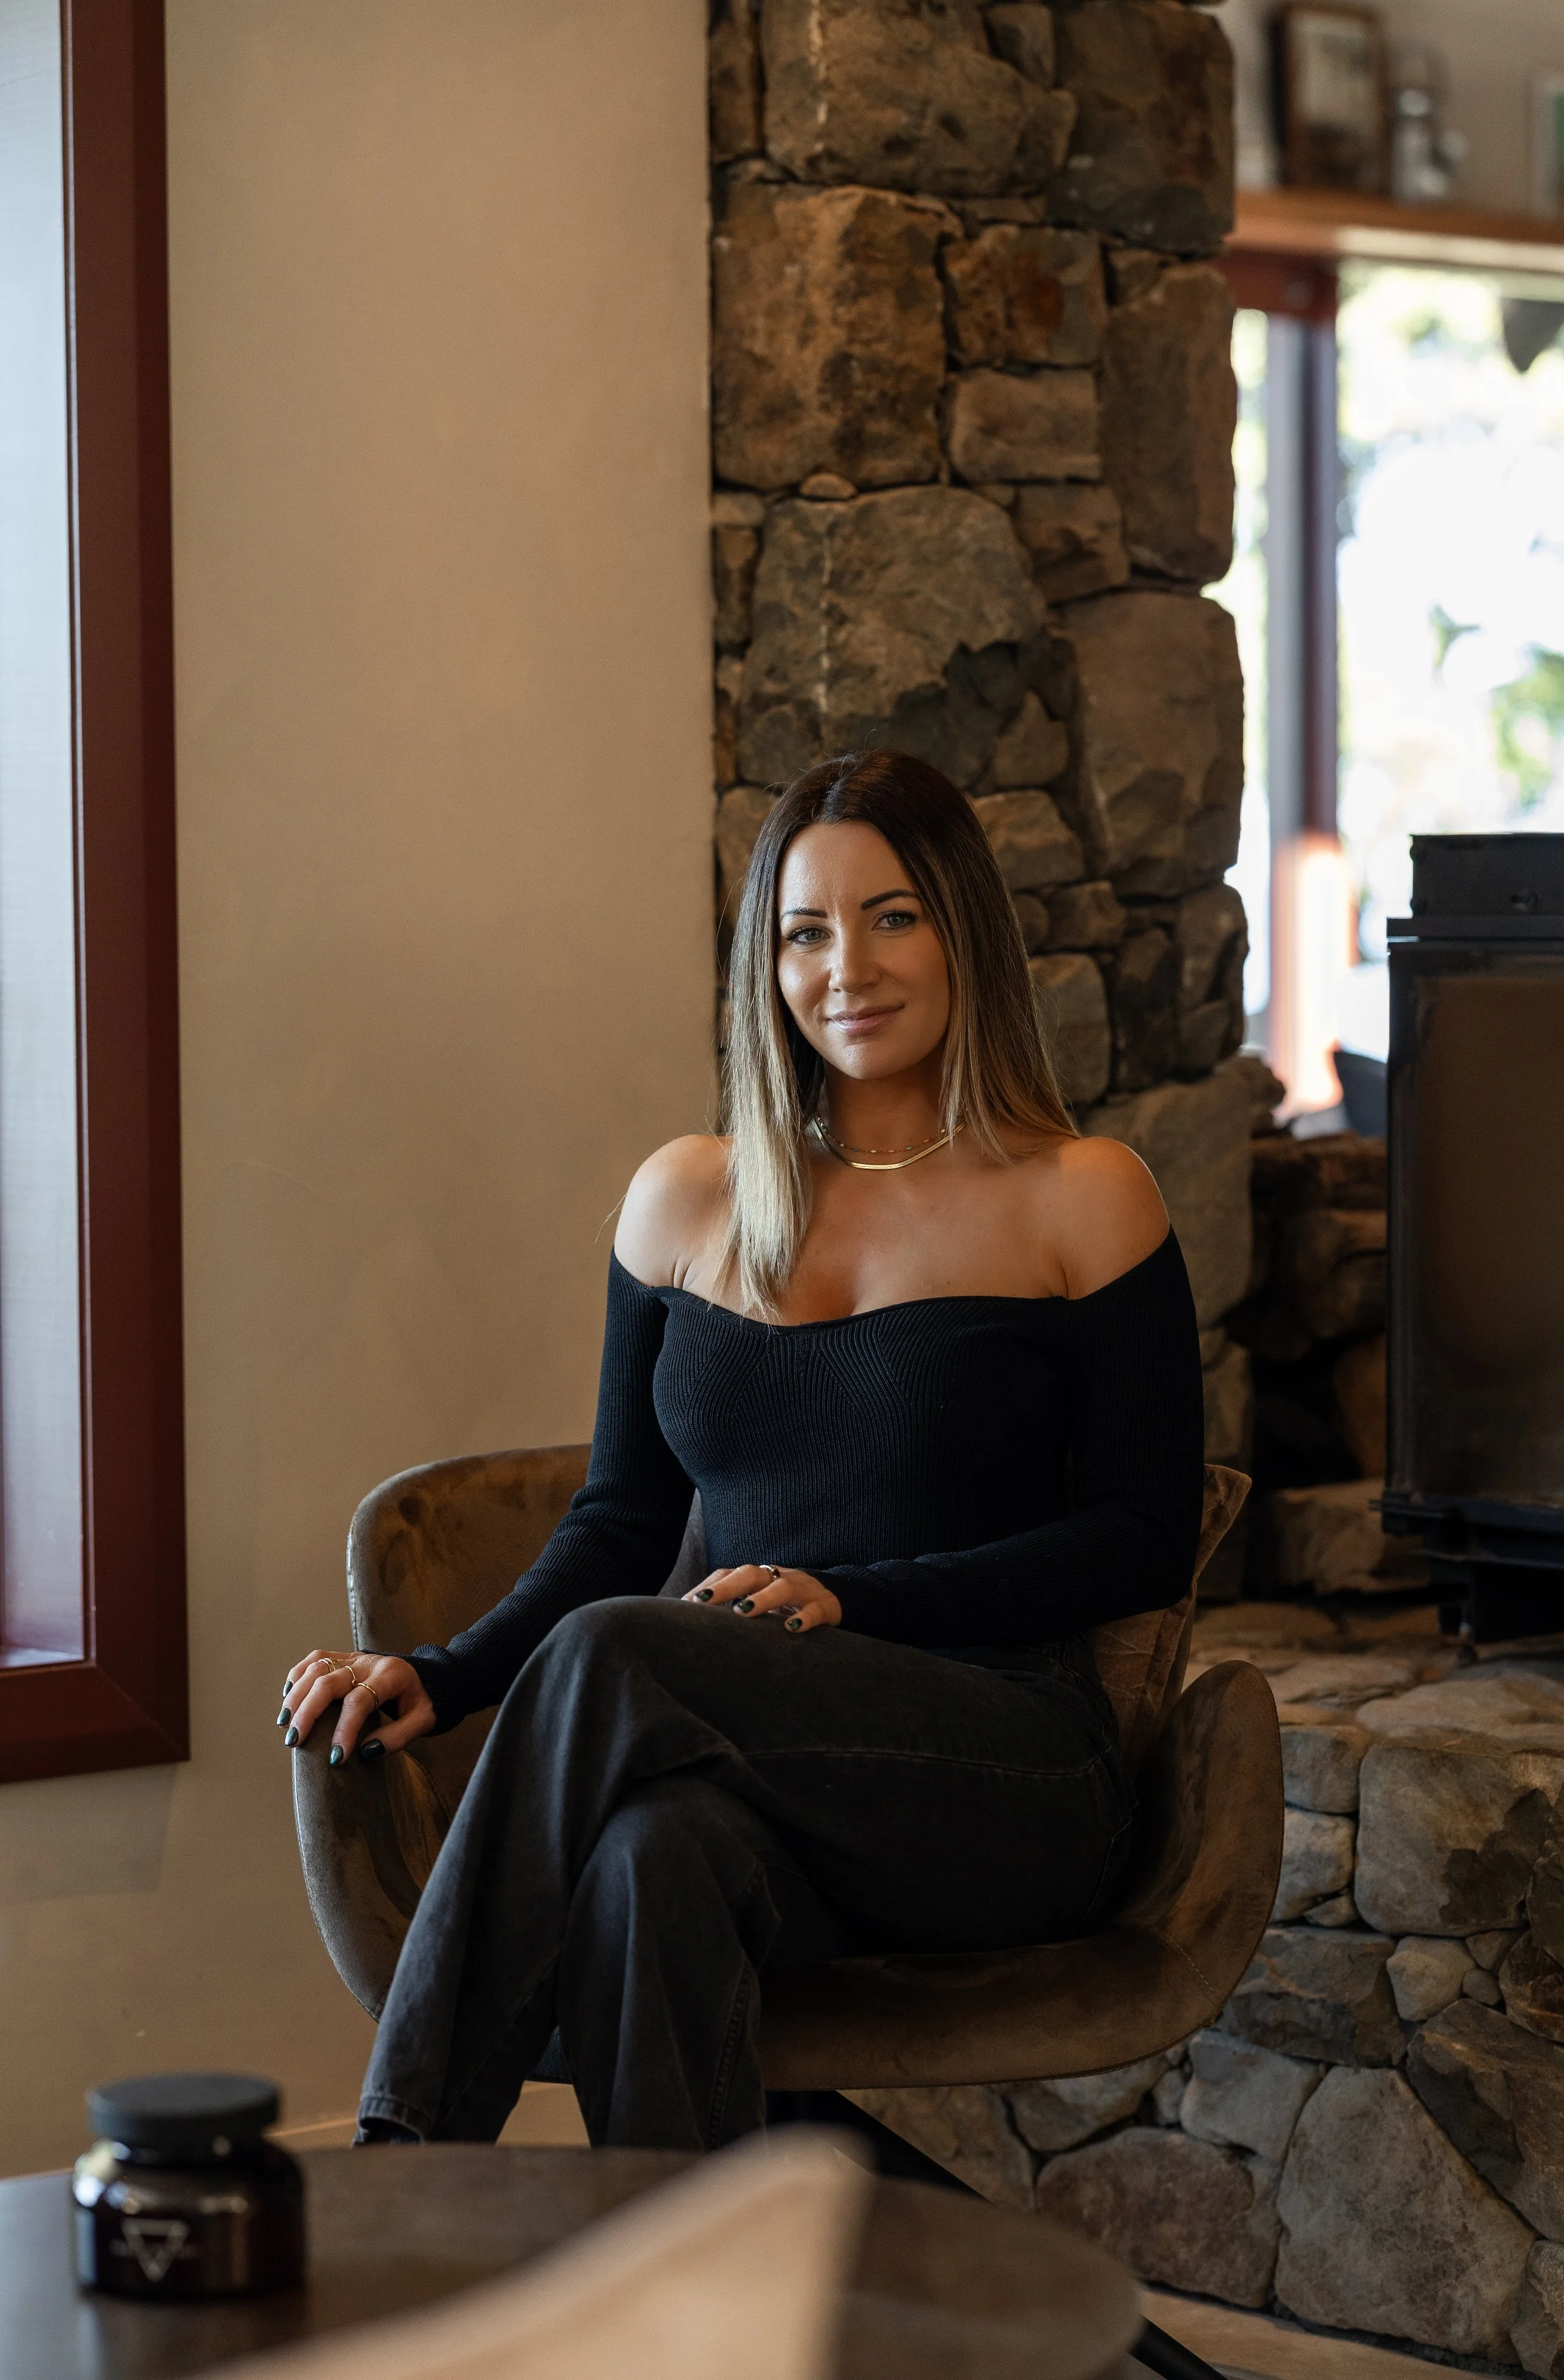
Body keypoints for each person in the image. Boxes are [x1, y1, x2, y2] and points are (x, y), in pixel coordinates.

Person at [279, 749, 1204, 2152]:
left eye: (892, 915)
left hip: (1000, 1773)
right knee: (655, 1860)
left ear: (963, 928)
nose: (849, 967)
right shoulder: (684, 1199)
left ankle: (405, 2165)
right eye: (804, 929)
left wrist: (861, 1598)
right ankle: (686, 2316)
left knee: (620, 1650)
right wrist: (444, 1672)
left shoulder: (1080, 1199)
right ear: (763, 964)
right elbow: (616, 1523)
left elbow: (1142, 1530)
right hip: (763, 1792)